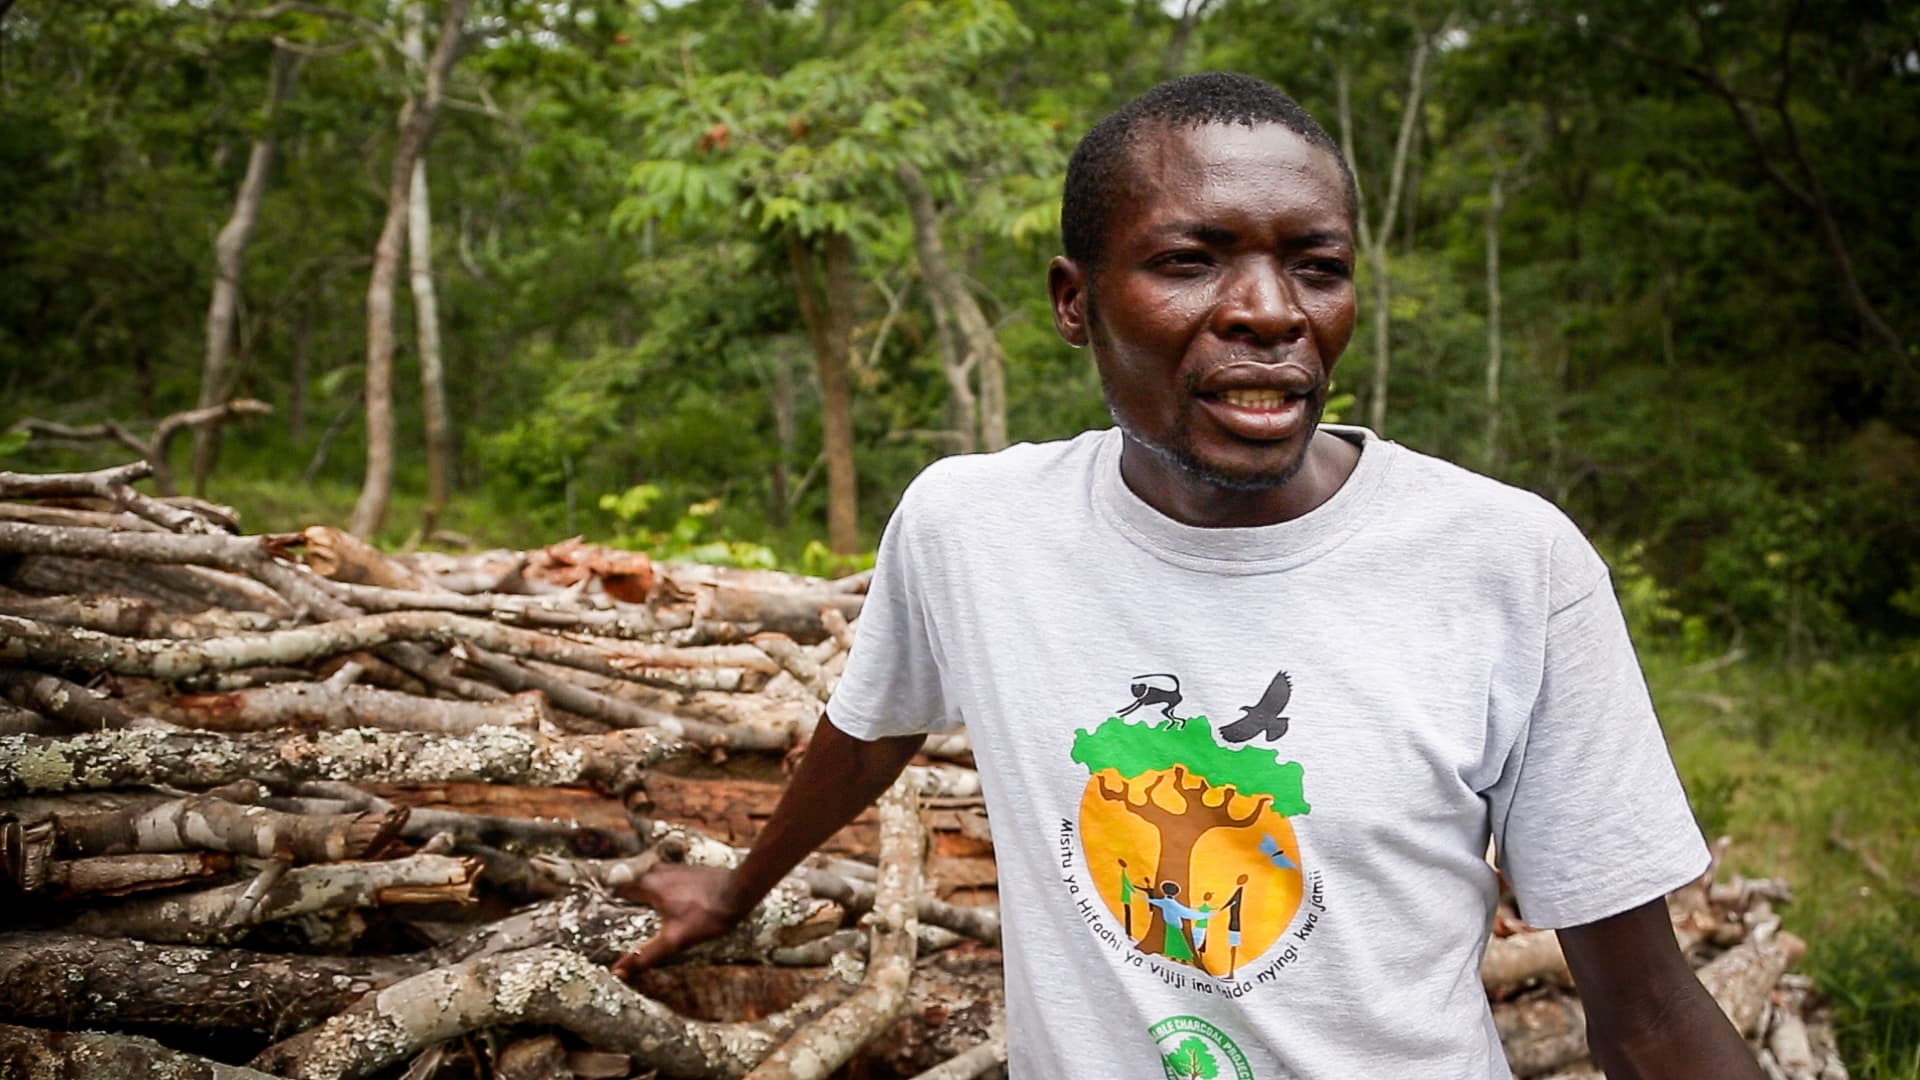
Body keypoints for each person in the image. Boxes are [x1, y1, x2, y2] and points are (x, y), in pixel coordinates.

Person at [612, 72, 1763, 1079]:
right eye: (1189, 261)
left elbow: (1646, 1012)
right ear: (1076, 301)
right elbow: (872, 729)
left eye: (1316, 266)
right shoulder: (972, 529)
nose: (1270, 311)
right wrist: (737, 889)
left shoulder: (1507, 564)